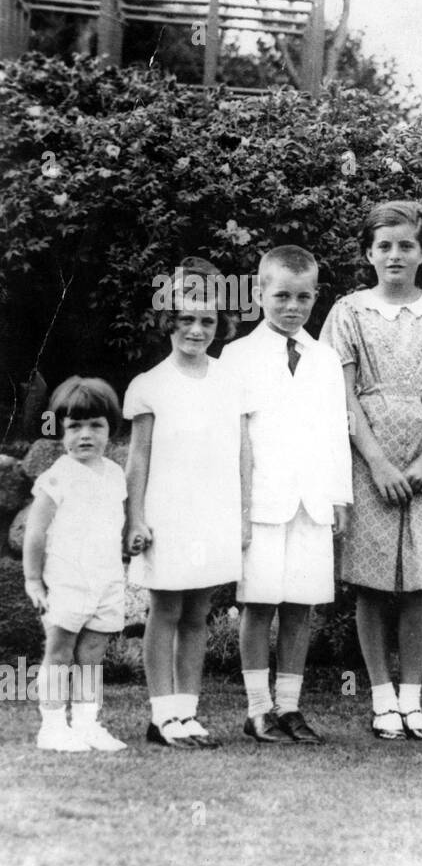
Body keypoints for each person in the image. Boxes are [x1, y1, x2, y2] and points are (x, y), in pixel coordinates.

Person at [321, 201, 422, 741]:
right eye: (384, 245)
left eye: (406, 245)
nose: (394, 254)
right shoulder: (348, 312)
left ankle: (413, 700)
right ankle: (381, 699)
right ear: (368, 252)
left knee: (419, 585)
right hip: (369, 455)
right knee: (371, 584)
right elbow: (339, 393)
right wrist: (379, 462)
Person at [221, 245, 352, 744]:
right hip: (262, 502)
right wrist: (239, 508)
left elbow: (335, 432)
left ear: (316, 296)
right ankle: (258, 710)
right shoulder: (237, 357)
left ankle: (290, 708)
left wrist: (340, 498)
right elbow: (236, 439)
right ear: (259, 294)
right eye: (281, 296)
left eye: (302, 297)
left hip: (313, 502)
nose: (292, 306)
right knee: (259, 604)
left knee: (302, 605)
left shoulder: (324, 358)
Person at [125, 257, 252, 749]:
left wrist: (241, 517)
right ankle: (161, 716)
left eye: (206, 321)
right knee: (166, 609)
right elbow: (138, 461)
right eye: (186, 320)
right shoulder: (149, 385)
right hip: (167, 513)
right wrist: (135, 517)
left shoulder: (230, 380)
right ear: (168, 323)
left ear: (219, 326)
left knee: (198, 612)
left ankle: (187, 712)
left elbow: (244, 454)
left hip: (214, 513)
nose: (196, 330)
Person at [23, 377, 129, 752]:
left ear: (110, 430)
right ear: (59, 430)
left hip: (106, 580)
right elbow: (34, 534)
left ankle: (86, 724)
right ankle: (52, 726)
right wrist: (34, 581)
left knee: (92, 654)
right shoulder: (57, 477)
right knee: (60, 651)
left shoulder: (116, 474)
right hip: (66, 580)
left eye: (95, 425)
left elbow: (118, 523)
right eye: (74, 426)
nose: (85, 435)